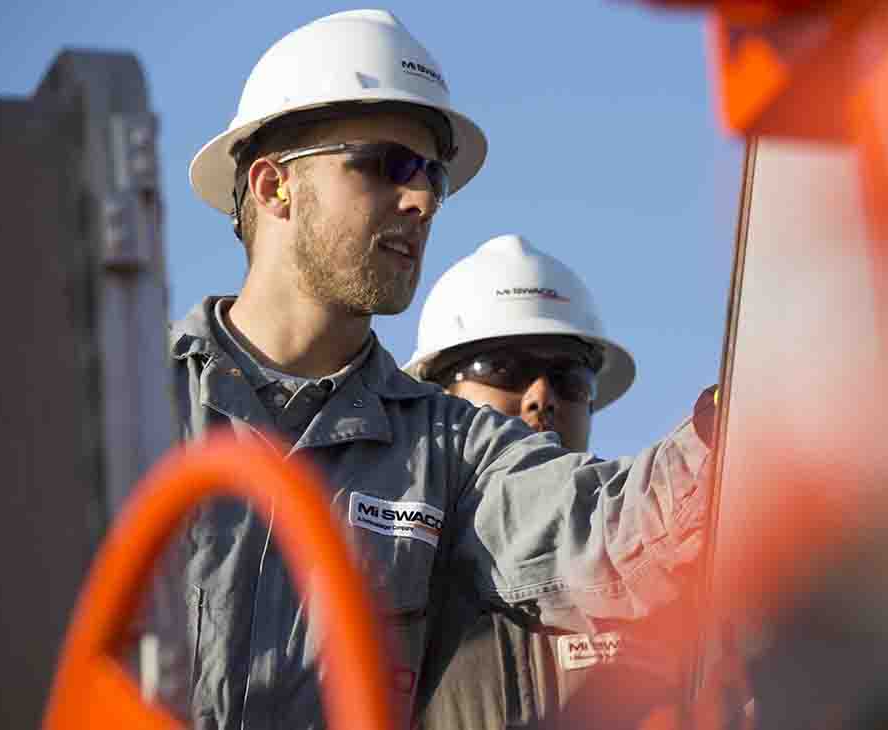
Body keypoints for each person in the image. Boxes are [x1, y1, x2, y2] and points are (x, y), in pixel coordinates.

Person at [173, 10, 712, 729]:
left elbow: (610, 532)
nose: (422, 199)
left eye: (434, 175)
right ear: (273, 187)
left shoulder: (450, 453)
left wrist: (747, 410)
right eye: (388, 164)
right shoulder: (126, 402)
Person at [406, 235, 704, 729]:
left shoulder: (669, 566)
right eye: (502, 368)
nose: (541, 396)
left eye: (568, 378)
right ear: (437, 395)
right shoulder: (394, 563)